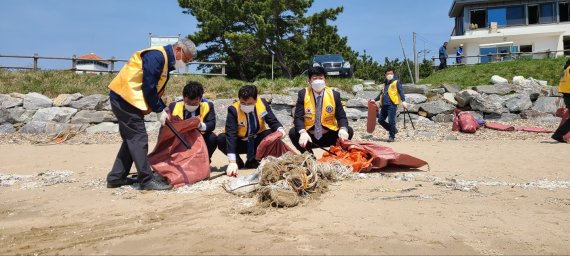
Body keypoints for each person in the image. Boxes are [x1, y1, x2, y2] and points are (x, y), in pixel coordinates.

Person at [106, 38, 196, 190]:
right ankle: (146, 180)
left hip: (128, 99)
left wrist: (162, 107)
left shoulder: (165, 61)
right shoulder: (157, 56)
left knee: (131, 140)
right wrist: (158, 109)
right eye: (186, 59)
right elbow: (148, 86)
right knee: (138, 137)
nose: (185, 63)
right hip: (124, 98)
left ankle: (116, 177)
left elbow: (154, 89)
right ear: (178, 50)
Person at [217, 85, 286, 176]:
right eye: (243, 103)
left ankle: (255, 160)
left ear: (255, 100)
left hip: (256, 141)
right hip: (240, 142)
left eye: (249, 103)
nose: (245, 106)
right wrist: (232, 161)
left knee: (271, 134)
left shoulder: (262, 104)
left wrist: (280, 130)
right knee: (222, 138)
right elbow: (231, 135)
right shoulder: (233, 110)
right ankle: (238, 162)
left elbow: (272, 121)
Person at [288, 66, 353, 153]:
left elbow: (341, 116)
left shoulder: (334, 95)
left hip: (329, 134)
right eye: (314, 78)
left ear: (325, 80)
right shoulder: (303, 94)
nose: (318, 81)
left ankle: (335, 152)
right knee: (293, 132)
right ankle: (309, 155)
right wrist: (302, 132)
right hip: (310, 136)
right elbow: (298, 117)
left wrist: (343, 129)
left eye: (321, 78)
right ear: (309, 80)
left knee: (349, 130)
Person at [168, 81, 217, 161]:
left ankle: (205, 160)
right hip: (180, 138)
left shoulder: (208, 106)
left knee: (212, 138)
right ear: (183, 97)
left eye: (194, 103)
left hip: (199, 136)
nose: (191, 105)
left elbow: (211, 124)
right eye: (188, 102)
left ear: (200, 99)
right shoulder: (173, 106)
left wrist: (200, 125)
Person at [373, 67, 409, 142]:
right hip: (384, 105)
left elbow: (401, 92)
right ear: (385, 75)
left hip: (392, 105)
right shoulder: (385, 83)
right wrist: (375, 99)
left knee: (391, 121)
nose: (389, 75)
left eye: (391, 73)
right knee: (380, 120)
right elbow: (381, 93)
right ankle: (393, 130)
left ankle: (391, 137)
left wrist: (404, 101)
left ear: (393, 74)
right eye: (388, 74)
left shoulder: (396, 82)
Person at [552, 59, 570, 143]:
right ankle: (559, 135)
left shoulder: (565, 70)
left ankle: (559, 135)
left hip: (566, 95)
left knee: (567, 116)